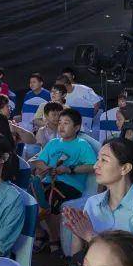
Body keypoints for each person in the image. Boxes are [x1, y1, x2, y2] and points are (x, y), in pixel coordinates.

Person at [30, 108, 97, 253]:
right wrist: (47, 167)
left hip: (70, 185)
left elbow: (92, 166)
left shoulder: (82, 144)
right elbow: (40, 161)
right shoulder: (53, 143)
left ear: (77, 127)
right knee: (26, 200)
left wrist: (69, 169)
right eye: (60, 122)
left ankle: (54, 239)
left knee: (52, 200)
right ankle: (41, 233)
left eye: (66, 123)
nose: (61, 126)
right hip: (49, 182)